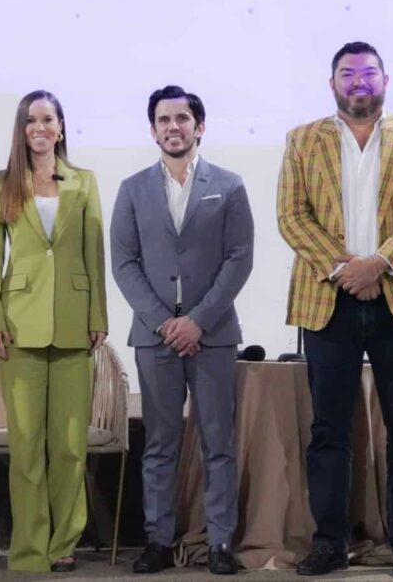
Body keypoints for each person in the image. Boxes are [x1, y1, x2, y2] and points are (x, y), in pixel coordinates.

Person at [277, 42, 393, 578]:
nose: (358, 82)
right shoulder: (302, 140)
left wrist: (378, 264)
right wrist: (345, 268)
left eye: (368, 73)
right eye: (347, 73)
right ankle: (330, 542)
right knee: (329, 430)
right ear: (331, 83)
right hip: (328, 301)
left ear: (385, 80)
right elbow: (291, 216)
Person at [110, 86, 253, 575]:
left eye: (182, 118)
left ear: (199, 126)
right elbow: (124, 263)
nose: (173, 127)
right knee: (159, 443)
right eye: (163, 120)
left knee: (218, 443)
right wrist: (164, 322)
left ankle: (220, 543)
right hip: (155, 338)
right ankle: (158, 540)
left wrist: (198, 321)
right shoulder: (132, 189)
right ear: (153, 130)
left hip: (212, 335)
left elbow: (239, 259)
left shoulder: (228, 186)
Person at [0, 89, 108, 573]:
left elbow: (94, 251)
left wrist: (98, 317)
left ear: (61, 127)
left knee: (70, 446)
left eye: (48, 119)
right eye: (31, 120)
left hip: (76, 324)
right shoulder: (1, 183)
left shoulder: (84, 180)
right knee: (27, 447)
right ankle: (30, 547)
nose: (40, 127)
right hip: (19, 325)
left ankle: (64, 544)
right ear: (21, 128)